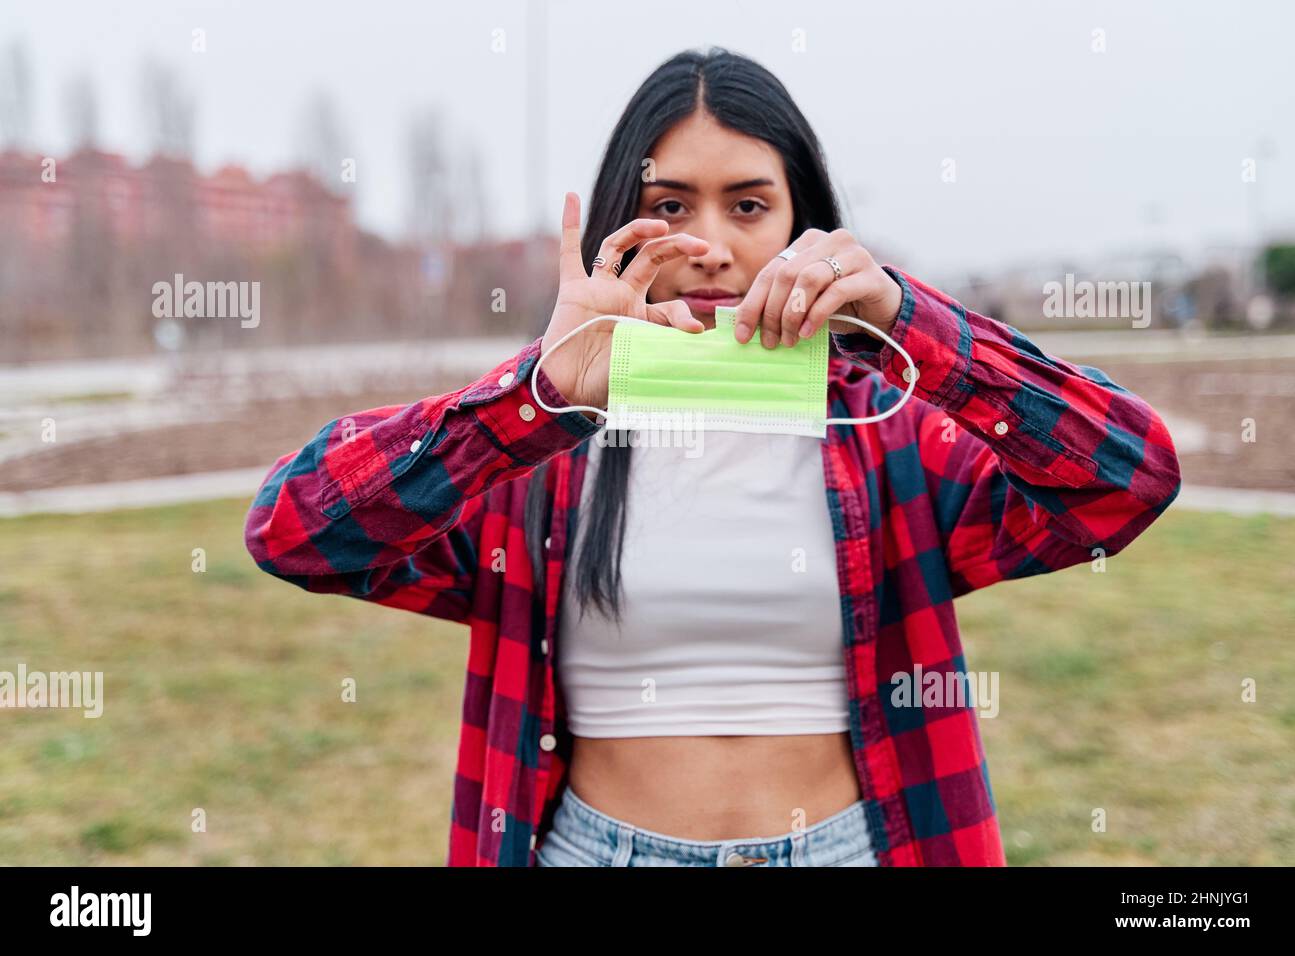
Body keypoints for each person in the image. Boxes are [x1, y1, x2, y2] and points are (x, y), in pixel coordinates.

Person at [243, 47, 1181, 867]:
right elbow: (298, 532)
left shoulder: (889, 434)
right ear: (621, 225)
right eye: (668, 207)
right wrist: (541, 397)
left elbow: (1127, 477)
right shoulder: (538, 453)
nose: (713, 246)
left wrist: (908, 316)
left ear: (802, 224)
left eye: (749, 205)